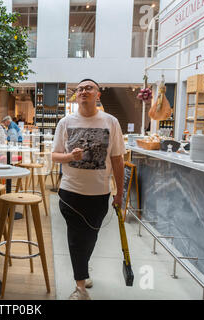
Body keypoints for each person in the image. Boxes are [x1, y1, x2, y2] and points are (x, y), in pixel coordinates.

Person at [51, 79, 125, 300]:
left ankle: (82, 268)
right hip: (70, 192)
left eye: (89, 88)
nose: (83, 91)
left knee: (90, 237)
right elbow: (55, 156)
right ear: (76, 95)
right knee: (75, 237)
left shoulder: (111, 122)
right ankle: (80, 287)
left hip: (99, 193)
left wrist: (120, 193)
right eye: (80, 88)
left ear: (98, 95)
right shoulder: (65, 122)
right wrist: (69, 156)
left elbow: (117, 160)